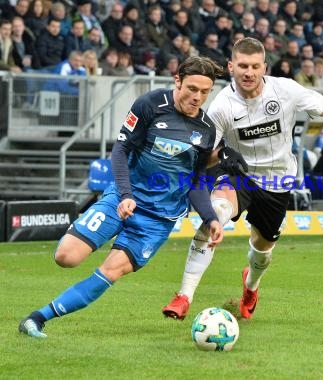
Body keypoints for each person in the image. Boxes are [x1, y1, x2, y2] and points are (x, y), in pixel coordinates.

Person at [162, 37, 323, 321]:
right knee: (213, 217)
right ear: (230, 67)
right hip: (239, 177)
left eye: (254, 66)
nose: (248, 72)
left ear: (264, 66)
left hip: (278, 182)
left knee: (262, 251)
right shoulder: (222, 106)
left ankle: (251, 286)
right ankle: (184, 297)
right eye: (242, 66)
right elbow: (204, 157)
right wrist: (222, 157)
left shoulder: (286, 89)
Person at [18, 56, 225, 338]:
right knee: (66, 256)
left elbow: (196, 180)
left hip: (158, 219)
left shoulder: (206, 129)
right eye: (192, 88)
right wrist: (125, 195)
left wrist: (210, 217)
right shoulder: (150, 105)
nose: (198, 97)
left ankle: (36, 319)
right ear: (177, 80)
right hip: (122, 199)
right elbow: (120, 150)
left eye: (205, 92)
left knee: (110, 271)